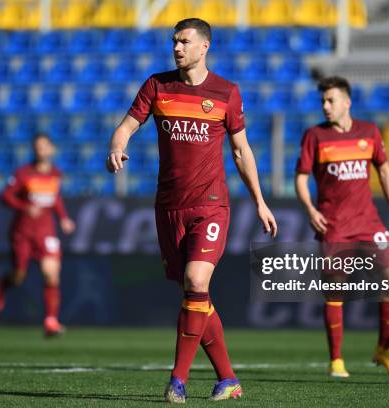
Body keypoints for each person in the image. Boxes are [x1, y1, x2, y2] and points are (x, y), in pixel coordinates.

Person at [106, 18, 277, 403]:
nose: (177, 48)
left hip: (211, 205)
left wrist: (261, 202)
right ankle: (228, 379)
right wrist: (116, 147)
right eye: (174, 41)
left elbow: (240, 150)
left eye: (184, 41)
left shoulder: (226, 93)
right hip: (168, 207)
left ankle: (177, 380)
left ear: (204, 47)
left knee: (197, 281)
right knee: (195, 292)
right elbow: (125, 127)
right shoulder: (156, 85)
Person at [295, 76, 389, 378]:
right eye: (322, 101)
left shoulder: (369, 132)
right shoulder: (315, 136)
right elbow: (301, 177)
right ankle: (336, 360)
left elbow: (384, 172)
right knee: (335, 291)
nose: (325, 106)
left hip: (370, 224)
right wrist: (310, 209)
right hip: (334, 226)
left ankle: (383, 349)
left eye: (331, 100)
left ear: (347, 102)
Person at [0, 133, 75, 337]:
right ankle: (3, 284)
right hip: (23, 232)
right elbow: (5, 196)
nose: (41, 150)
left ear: (51, 149)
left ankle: (51, 321)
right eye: (37, 147)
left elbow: (55, 199)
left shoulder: (56, 174)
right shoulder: (23, 173)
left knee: (52, 274)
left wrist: (63, 218)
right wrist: (25, 206)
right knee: (19, 276)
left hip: (46, 232)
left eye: (44, 146)